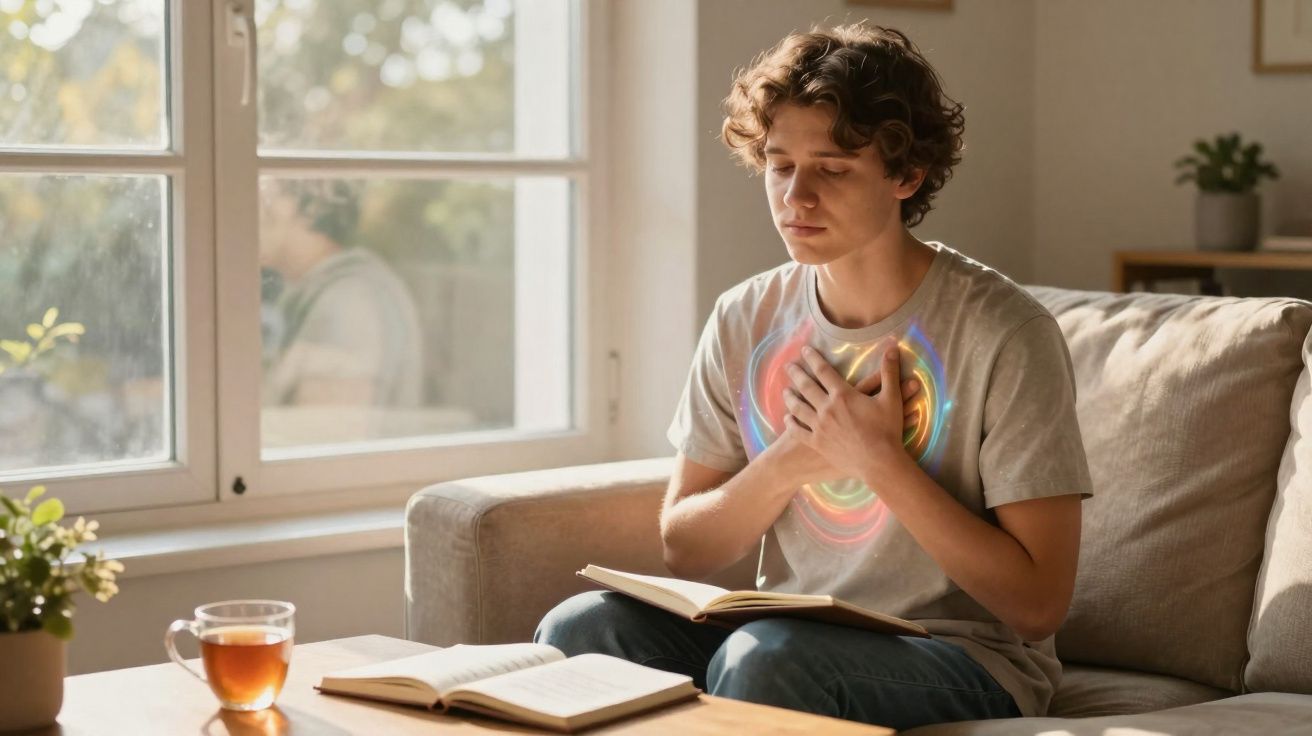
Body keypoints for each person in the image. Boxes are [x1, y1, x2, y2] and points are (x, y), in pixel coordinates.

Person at [534, 23, 1094, 732]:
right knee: (581, 630)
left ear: (906, 175)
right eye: (779, 165)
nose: (796, 197)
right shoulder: (746, 317)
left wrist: (879, 462)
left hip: (963, 659)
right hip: (789, 633)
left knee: (768, 662)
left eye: (832, 170)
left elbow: (1039, 603)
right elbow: (687, 544)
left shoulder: (1004, 333)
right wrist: (793, 462)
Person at [260, 179, 424, 413]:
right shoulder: (321, 291)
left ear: (310, 208)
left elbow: (326, 437)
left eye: (265, 190)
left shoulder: (347, 301)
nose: (249, 202)